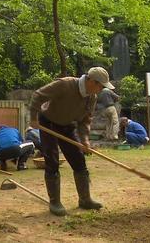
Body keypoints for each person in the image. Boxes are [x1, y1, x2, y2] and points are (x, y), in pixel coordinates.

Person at [29, 66, 111, 216]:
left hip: (67, 125)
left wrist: (85, 140)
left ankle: (85, 199)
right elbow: (38, 95)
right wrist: (34, 118)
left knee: (78, 160)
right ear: (91, 81)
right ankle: (54, 202)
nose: (102, 90)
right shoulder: (65, 84)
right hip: (48, 122)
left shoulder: (91, 97)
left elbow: (85, 120)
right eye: (101, 86)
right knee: (52, 160)